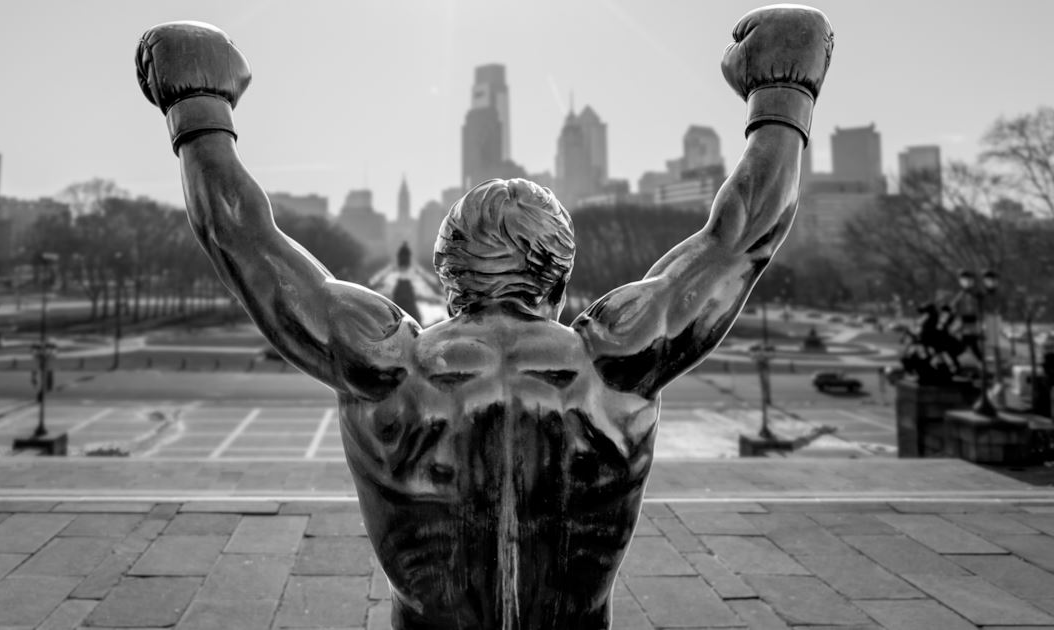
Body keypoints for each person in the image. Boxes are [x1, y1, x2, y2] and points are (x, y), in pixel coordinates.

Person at [136, 5, 832, 627]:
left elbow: (244, 239)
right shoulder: (619, 356)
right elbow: (741, 237)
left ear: (448, 273)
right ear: (559, 273)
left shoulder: (389, 363)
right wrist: (784, 89)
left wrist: (199, 107)